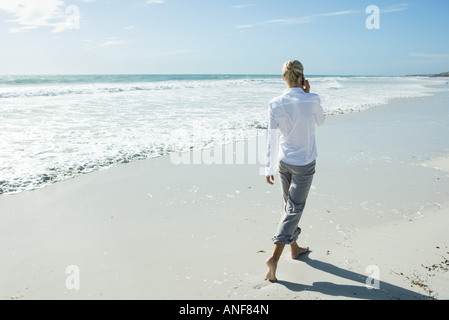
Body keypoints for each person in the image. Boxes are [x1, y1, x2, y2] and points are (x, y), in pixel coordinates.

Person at [265, 60, 325, 282]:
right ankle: (274, 258)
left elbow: (271, 137)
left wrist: (268, 167)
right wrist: (308, 93)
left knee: (288, 207)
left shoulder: (274, 103)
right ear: (301, 77)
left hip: (283, 162)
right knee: (294, 209)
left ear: (283, 78)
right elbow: (321, 121)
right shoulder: (312, 99)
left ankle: (295, 248)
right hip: (304, 164)